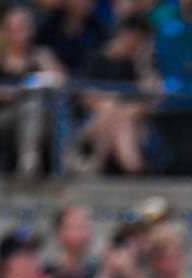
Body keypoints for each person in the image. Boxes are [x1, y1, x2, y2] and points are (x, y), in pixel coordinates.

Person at [0, 5, 66, 175]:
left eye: (24, 28)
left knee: (43, 108)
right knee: (32, 105)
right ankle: (30, 161)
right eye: (15, 29)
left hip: (41, 116)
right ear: (3, 32)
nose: (21, 34)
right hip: (2, 118)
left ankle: (52, 160)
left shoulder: (41, 55)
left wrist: (49, 77)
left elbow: (62, 85)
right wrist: (16, 91)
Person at [77, 13, 161, 176]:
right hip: (94, 123)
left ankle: (97, 167)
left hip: (133, 125)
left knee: (123, 122)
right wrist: (111, 106)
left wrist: (143, 65)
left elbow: (153, 97)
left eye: (141, 41)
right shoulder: (96, 59)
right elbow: (86, 98)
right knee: (110, 109)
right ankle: (136, 172)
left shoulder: (141, 65)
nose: (136, 45)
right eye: (134, 39)